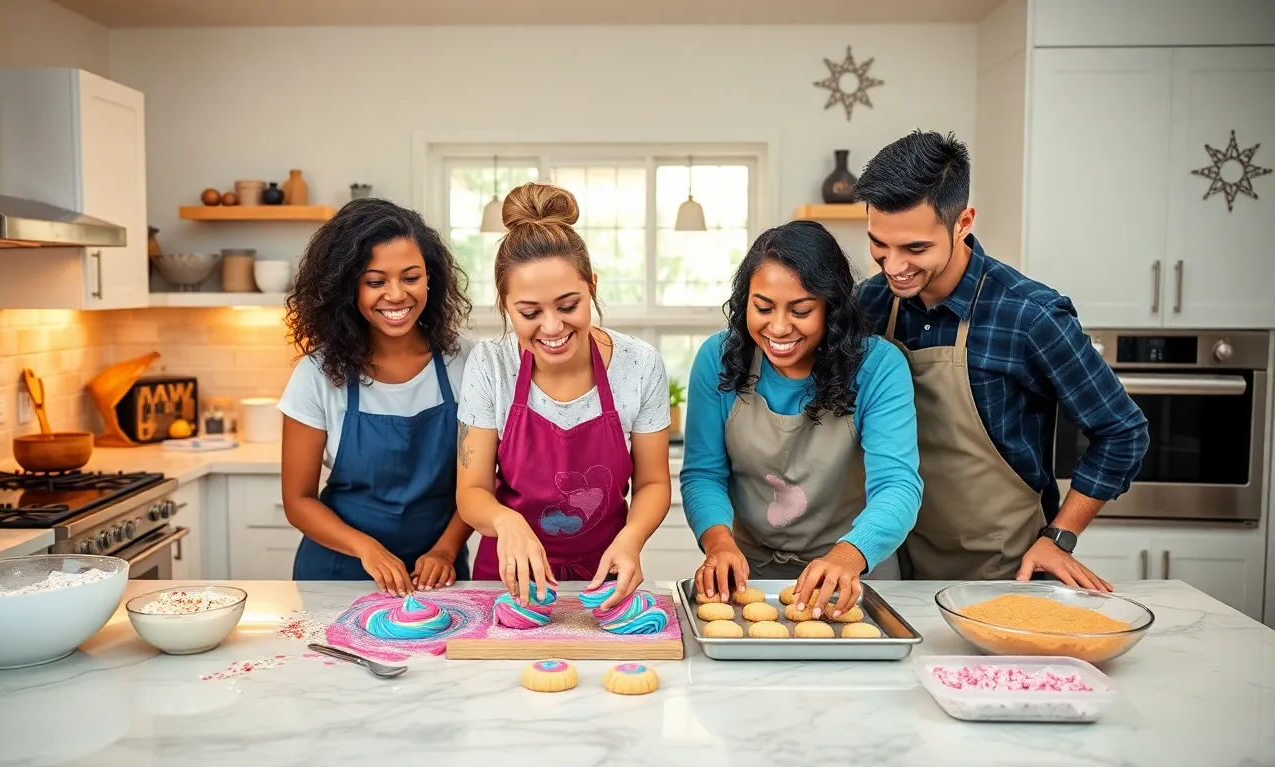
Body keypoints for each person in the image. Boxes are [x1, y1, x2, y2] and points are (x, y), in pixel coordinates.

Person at [853, 130, 1149, 588]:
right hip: (889, 565)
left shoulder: (1028, 315)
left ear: (963, 222)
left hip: (1005, 574)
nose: (892, 266)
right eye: (879, 244)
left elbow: (1122, 431)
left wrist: (1061, 536)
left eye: (915, 248)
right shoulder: (869, 305)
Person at [680, 221, 922, 618]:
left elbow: (897, 485)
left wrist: (849, 554)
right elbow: (704, 474)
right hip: (749, 576)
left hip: (853, 574)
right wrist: (719, 543)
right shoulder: (718, 359)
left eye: (801, 310)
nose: (778, 327)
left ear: (831, 306)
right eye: (762, 308)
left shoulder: (878, 366)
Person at [456, 182, 672, 612]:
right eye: (530, 312)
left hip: (604, 574)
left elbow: (652, 482)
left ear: (591, 286)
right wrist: (505, 520)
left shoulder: (639, 364)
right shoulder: (490, 364)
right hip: (506, 578)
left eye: (568, 305)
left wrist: (631, 538)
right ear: (505, 305)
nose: (552, 327)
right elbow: (471, 492)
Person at [278, 198, 476, 593]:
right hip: (338, 572)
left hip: (437, 575)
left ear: (431, 278)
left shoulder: (468, 363)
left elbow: (482, 481)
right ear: (346, 288)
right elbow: (298, 501)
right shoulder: (316, 375)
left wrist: (446, 549)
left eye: (410, 277)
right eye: (375, 281)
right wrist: (366, 549)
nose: (396, 295)